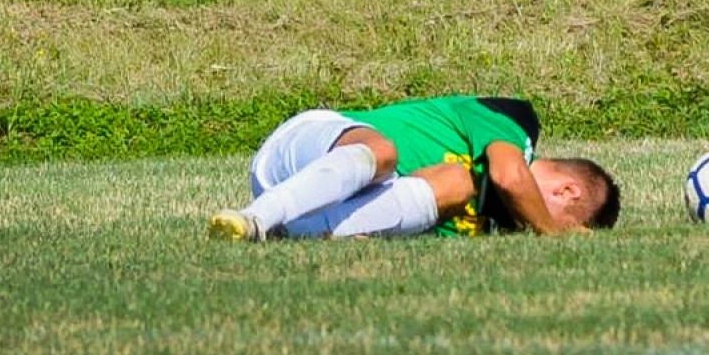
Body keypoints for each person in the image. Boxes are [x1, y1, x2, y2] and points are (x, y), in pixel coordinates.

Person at [207, 95, 620, 240]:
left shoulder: (488, 230)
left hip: (313, 215)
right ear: (568, 191)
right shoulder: (515, 123)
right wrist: (553, 234)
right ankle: (254, 219)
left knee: (454, 186)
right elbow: (509, 178)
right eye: (547, 222)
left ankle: (280, 231)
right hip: (302, 150)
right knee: (383, 153)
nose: (530, 227)